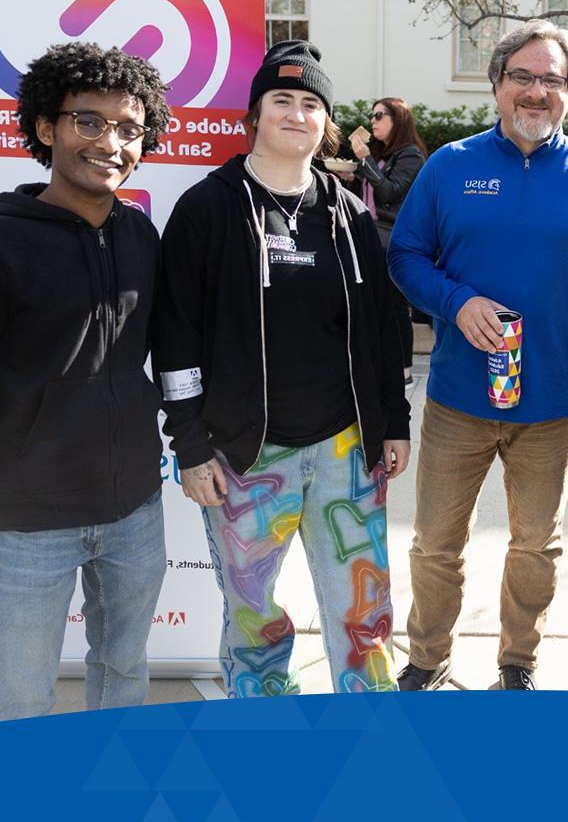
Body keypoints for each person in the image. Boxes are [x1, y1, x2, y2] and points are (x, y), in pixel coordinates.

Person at [388, 19, 568, 690]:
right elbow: (405, 256)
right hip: (458, 400)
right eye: (523, 77)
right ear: (497, 85)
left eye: (552, 80)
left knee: (536, 546)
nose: (537, 91)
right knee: (436, 544)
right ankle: (426, 660)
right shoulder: (450, 167)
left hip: (553, 405)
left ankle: (518, 661)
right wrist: (455, 301)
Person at [153, 40, 410, 696]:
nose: (297, 114)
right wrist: (190, 443)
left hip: (344, 448)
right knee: (254, 618)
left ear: (325, 122)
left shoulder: (349, 214)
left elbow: (385, 329)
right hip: (245, 454)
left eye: (311, 103)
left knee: (364, 615)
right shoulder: (207, 209)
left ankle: (372, 739)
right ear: (256, 115)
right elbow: (175, 336)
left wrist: (395, 421)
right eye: (282, 101)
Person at [0, 42, 170, 721]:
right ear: (46, 127)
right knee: (21, 694)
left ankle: (111, 809)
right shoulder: (6, 238)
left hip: (134, 508)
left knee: (124, 673)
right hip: (28, 520)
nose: (111, 142)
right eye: (89, 122)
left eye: (129, 128)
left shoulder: (140, 235)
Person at [349, 98, 427, 384]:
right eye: (371, 115)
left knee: (395, 307)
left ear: (399, 119)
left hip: (391, 241)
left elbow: (389, 193)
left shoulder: (410, 155)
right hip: (369, 236)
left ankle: (404, 369)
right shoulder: (383, 155)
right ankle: (382, 363)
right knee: (375, 306)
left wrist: (365, 159)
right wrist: (352, 175)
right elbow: (367, 194)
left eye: (380, 115)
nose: (373, 121)